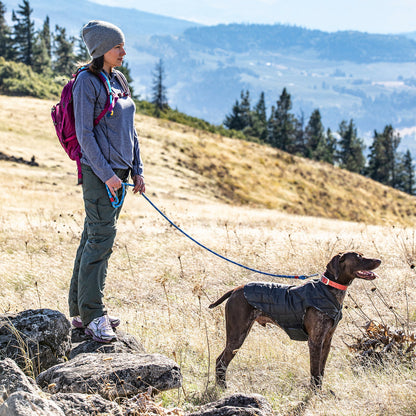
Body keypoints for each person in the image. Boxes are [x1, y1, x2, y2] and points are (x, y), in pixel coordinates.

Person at [68, 20, 145, 343]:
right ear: (101, 50)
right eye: (117, 47)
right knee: (101, 239)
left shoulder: (117, 79)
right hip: (101, 175)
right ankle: (93, 315)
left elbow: (131, 129)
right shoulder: (86, 82)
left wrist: (137, 169)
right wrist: (109, 176)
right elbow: (85, 135)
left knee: (92, 236)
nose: (123, 52)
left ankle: (78, 311)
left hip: (120, 175)